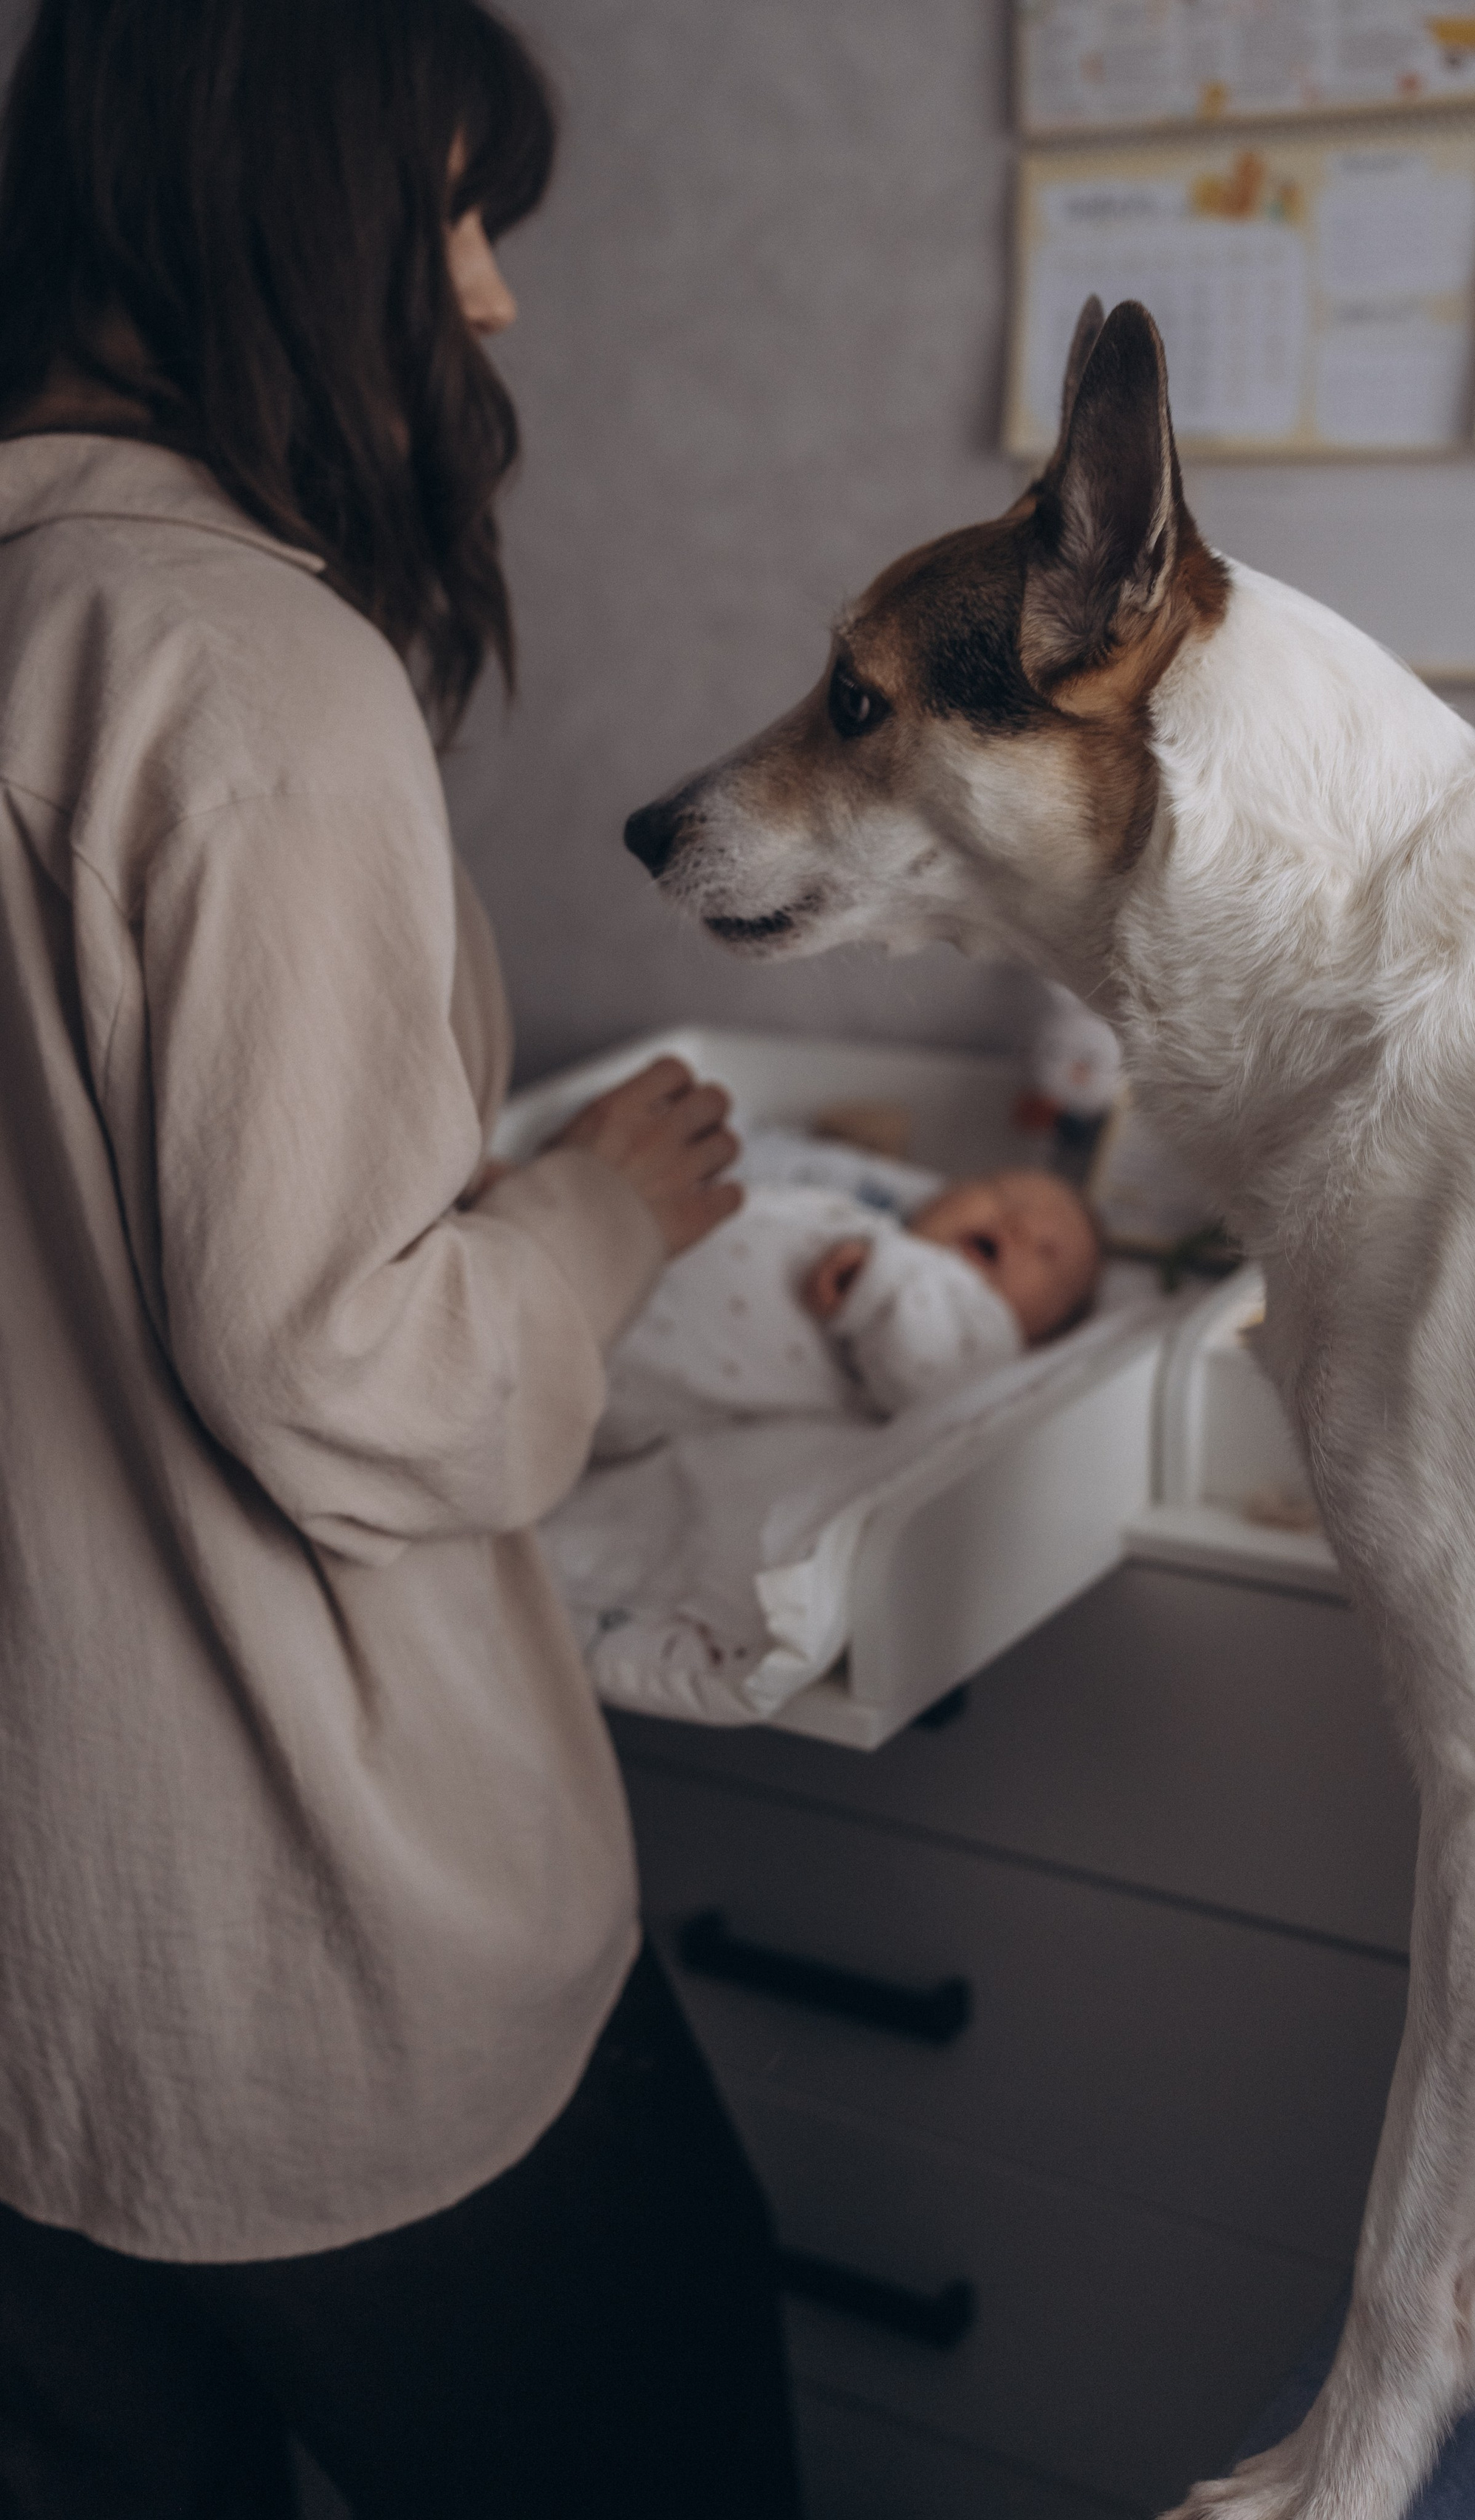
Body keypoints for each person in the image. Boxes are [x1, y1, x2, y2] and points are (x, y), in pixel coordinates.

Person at [0, 3, 802, 2513]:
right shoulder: (238, 674)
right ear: (275, 200)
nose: (489, 294)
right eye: (455, 212)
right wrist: (596, 1218)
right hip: (319, 1975)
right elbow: (337, 1369)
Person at [595, 1161, 1104, 1452]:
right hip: (633, 1252)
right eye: (1002, 1195)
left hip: (642, 1359)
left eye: (1047, 1251)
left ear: (1039, 1334)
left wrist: (876, 1277)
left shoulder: (983, 1334)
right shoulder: (868, 1217)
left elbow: (925, 1373)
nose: (1019, 1225)